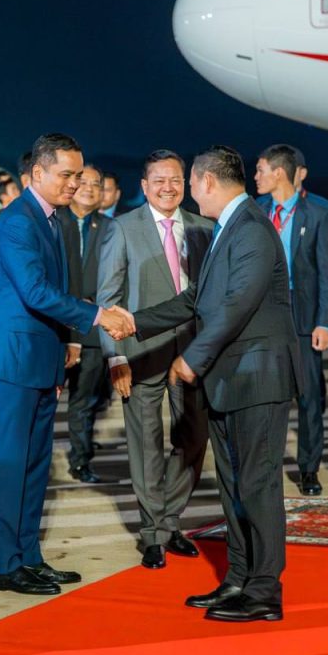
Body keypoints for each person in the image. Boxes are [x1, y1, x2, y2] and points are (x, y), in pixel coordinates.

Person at [131, 145, 300, 622]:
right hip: (230, 379)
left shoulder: (251, 229)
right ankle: (238, 578)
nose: (189, 193)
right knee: (233, 486)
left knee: (258, 484)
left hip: (257, 379)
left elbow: (236, 305)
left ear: (207, 181)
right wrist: (133, 322)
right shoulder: (229, 227)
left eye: (190, 183)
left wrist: (193, 357)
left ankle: (264, 591)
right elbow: (197, 300)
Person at [0, 133, 134, 596]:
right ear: (37, 173)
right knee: (10, 464)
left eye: (79, 175)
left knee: (35, 465)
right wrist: (97, 317)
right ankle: (6, 565)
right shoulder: (17, 221)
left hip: (43, 356)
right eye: (66, 175)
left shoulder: (52, 219)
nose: (75, 183)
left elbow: (56, 289)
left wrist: (67, 340)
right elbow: (35, 292)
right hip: (13, 360)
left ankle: (28, 557)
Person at [98, 149, 212, 570]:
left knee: (193, 439)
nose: (168, 187)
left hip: (192, 352)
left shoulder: (203, 228)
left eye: (176, 180)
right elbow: (108, 298)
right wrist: (115, 357)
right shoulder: (122, 228)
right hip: (140, 353)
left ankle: (169, 520)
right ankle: (153, 534)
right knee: (145, 444)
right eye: (159, 180)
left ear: (186, 184)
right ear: (144, 186)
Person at [254, 144, 328, 496]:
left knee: (309, 397)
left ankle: (308, 469)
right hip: (264, 313)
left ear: (279, 173)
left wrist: (324, 322)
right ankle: (266, 467)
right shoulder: (256, 210)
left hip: (303, 315)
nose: (255, 177)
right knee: (265, 395)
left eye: (260, 170)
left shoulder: (317, 211)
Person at [57, 163, 112, 483]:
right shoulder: (54, 219)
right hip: (54, 324)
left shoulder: (110, 227)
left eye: (97, 184)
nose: (90, 188)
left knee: (85, 400)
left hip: (92, 326)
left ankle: (80, 461)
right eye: (84, 182)